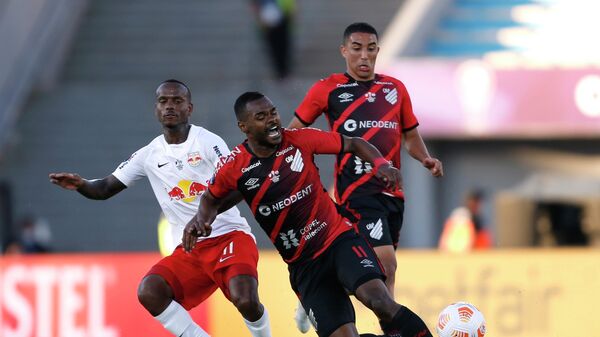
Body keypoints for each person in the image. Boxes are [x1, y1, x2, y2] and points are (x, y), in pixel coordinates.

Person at [183, 92, 433, 337]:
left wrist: (382, 165)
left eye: (273, 112)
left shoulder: (300, 140)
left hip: (338, 240)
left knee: (379, 301)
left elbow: (354, 143)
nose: (272, 120)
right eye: (261, 116)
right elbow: (210, 198)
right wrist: (202, 219)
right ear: (244, 126)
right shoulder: (234, 166)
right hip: (304, 265)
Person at [49, 80, 272, 337]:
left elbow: (241, 185)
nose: (169, 106)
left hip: (229, 236)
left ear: (190, 108)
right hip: (190, 250)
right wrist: (81, 184)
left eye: (177, 101)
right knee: (150, 291)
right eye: (163, 101)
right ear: (155, 108)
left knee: (245, 300)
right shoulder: (149, 154)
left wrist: (203, 218)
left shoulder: (208, 142)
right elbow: (104, 189)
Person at [288, 22, 443, 332]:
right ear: (344, 51)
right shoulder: (327, 89)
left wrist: (425, 158)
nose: (364, 56)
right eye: (356, 49)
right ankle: (394, 330)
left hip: (392, 194)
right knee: (386, 263)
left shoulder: (395, 89)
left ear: (377, 51)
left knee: (379, 271)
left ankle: (319, 290)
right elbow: (293, 134)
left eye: (370, 49)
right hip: (354, 193)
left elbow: (410, 136)